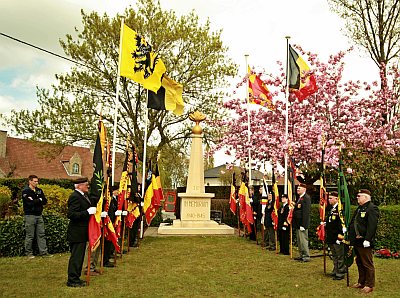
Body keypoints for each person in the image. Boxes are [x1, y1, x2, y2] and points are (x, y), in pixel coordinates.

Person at [66, 177, 96, 287]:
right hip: (77, 232)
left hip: (82, 232)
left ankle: (76, 278)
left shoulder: (83, 196)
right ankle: (72, 279)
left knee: (80, 256)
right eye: (85, 184)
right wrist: (87, 212)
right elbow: (71, 214)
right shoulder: (75, 196)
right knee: (76, 257)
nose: (87, 186)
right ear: (79, 186)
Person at [348, 189, 379, 294]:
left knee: (367, 263)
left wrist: (367, 239)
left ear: (366, 197)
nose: (357, 197)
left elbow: (372, 226)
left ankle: (369, 285)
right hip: (357, 241)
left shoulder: (372, 208)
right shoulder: (360, 208)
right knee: (359, 262)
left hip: (364, 241)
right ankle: (361, 282)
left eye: (359, 196)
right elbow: (354, 222)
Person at [22, 175, 52, 258]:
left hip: (39, 215)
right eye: (34, 181)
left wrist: (36, 200)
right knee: (30, 235)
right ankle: (29, 253)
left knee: (41, 234)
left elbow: (45, 201)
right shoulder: (25, 191)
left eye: (37, 181)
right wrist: (39, 200)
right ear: (30, 181)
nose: (36, 183)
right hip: (30, 216)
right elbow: (29, 203)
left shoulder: (39, 190)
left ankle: (43, 252)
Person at [326, 191, 346, 280]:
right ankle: (336, 269)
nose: (329, 200)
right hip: (331, 236)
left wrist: (341, 236)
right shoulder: (332, 208)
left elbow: (342, 224)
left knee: (339, 255)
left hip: (337, 236)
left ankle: (341, 272)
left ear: (336, 199)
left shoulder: (340, 209)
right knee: (334, 254)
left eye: (331, 198)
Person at [293, 183, 311, 262]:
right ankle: (301, 255)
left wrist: (303, 224)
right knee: (299, 241)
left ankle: (306, 256)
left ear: (304, 189)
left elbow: (305, 212)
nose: (298, 190)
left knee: (303, 240)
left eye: (299, 188)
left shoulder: (306, 198)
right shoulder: (300, 198)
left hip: (302, 224)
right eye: (297, 188)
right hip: (298, 223)